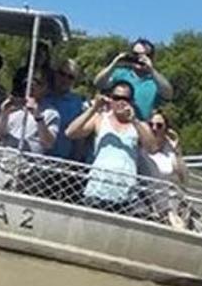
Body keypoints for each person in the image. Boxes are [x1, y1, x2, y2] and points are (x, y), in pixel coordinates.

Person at [66, 80, 159, 216]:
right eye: (116, 98)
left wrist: (134, 120)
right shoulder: (100, 119)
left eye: (125, 99)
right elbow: (71, 132)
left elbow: (153, 148)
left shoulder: (140, 126)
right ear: (110, 99)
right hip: (97, 189)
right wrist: (93, 109)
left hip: (126, 194)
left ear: (132, 101)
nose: (121, 102)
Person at [0, 68, 60, 193]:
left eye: (38, 83)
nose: (32, 86)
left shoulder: (51, 113)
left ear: (46, 88)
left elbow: (48, 143)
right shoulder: (13, 107)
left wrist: (38, 117)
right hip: (7, 168)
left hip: (30, 174)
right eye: (29, 82)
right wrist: (4, 114)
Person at [92, 38, 173, 121]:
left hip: (141, 128)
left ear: (151, 58)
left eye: (145, 55)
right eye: (136, 54)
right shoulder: (120, 73)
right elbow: (98, 83)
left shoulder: (155, 81)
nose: (139, 58)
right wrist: (114, 64)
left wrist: (151, 70)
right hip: (116, 127)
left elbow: (168, 94)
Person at [140, 111, 188, 229]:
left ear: (166, 129)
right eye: (151, 125)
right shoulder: (140, 143)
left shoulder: (170, 149)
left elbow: (184, 178)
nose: (154, 128)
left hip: (166, 199)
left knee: (179, 224)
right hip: (144, 196)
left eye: (159, 125)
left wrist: (177, 150)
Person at [44, 59, 88, 160]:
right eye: (62, 73)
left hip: (62, 159)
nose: (65, 79)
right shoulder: (42, 95)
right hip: (36, 154)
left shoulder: (77, 103)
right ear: (56, 73)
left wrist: (76, 161)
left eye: (70, 77)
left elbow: (79, 137)